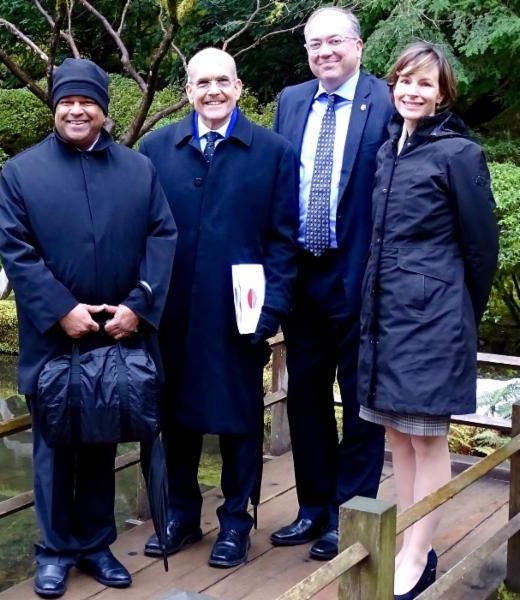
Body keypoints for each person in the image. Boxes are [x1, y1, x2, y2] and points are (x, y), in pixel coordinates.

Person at [0, 58, 177, 598]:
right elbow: (17, 250)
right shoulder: (21, 173)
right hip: (53, 341)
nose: (76, 111)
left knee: (102, 443)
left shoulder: (138, 170)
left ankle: (97, 545)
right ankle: (54, 552)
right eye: (67, 102)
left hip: (117, 334)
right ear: (55, 108)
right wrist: (60, 309)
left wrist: (138, 306)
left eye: (87, 102)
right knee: (54, 448)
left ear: (103, 109)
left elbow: (162, 237)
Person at [139, 47, 298, 568]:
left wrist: (271, 310)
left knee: (240, 421)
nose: (213, 91)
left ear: (238, 87)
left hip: (239, 315)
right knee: (173, 418)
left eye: (222, 81)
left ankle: (236, 523)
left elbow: (283, 240)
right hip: (171, 314)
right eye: (202, 82)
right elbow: (140, 233)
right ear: (188, 91)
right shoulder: (157, 148)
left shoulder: (272, 152)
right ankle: (181, 515)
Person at [358, 42, 498, 599]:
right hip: (386, 315)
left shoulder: (459, 154)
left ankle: (418, 554)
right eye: (405, 81)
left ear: (442, 95)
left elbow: (481, 248)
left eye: (425, 84)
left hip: (433, 319)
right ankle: (410, 539)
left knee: (427, 437)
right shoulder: (388, 149)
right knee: (397, 433)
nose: (412, 92)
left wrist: (457, 312)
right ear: (393, 84)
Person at [269, 6, 393, 560]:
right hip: (302, 274)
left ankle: (351, 512)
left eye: (335, 41)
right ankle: (313, 506)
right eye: (315, 44)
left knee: (362, 398)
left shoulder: (386, 101)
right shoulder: (292, 101)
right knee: (305, 395)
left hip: (358, 273)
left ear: (358, 46)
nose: (325, 52)